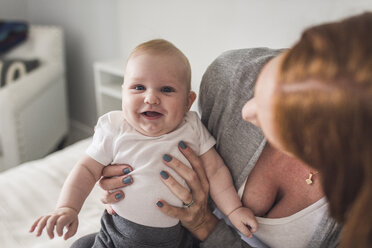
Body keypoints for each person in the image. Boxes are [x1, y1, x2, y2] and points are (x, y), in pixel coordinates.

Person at [76, 12, 372, 248]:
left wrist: (205, 224)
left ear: (325, 142)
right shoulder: (233, 75)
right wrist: (122, 176)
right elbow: (185, 153)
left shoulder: (357, 217)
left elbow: (214, 172)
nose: (245, 111)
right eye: (260, 88)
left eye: (271, 111)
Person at [29, 39, 258, 248]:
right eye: (138, 88)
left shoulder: (192, 127)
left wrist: (234, 209)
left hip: (179, 237)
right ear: (123, 94)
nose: (151, 98)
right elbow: (86, 169)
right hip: (119, 235)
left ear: (188, 102)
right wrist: (68, 207)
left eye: (166, 89)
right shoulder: (115, 128)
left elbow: (216, 170)